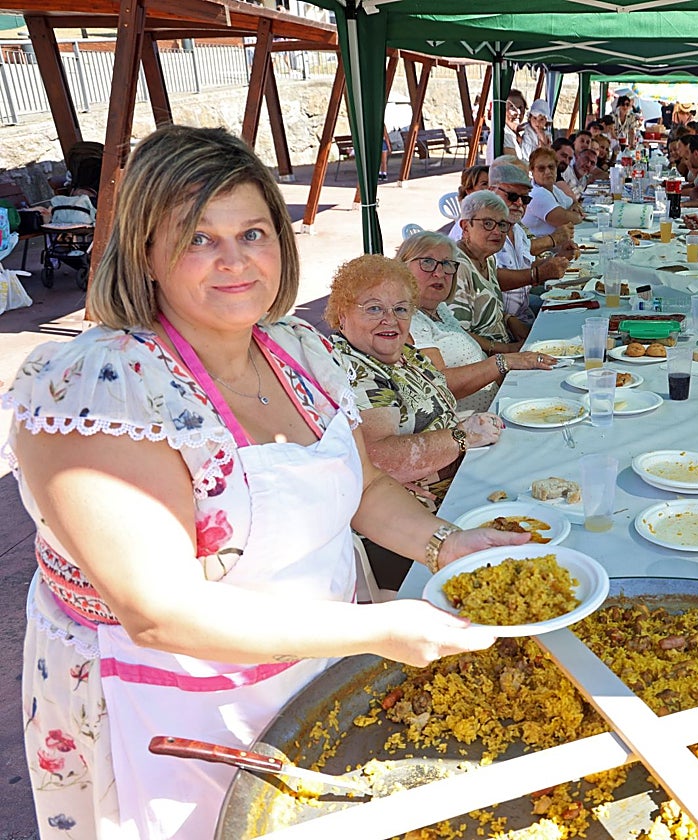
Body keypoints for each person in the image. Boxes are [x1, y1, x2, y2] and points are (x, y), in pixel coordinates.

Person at [4, 125, 529, 840]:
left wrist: (449, 543)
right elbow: (159, 611)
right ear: (144, 251)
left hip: (313, 661)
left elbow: (364, 488)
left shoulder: (299, 348)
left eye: (253, 233)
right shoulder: (98, 385)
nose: (234, 262)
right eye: (197, 238)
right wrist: (377, 628)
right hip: (169, 704)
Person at [326, 256, 507, 586]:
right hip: (407, 531)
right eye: (373, 309)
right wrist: (460, 438)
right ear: (342, 314)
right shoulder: (355, 369)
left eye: (401, 309)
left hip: (455, 486)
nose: (390, 320)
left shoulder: (404, 354)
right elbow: (380, 456)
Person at [400, 231, 555, 414]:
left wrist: (510, 355)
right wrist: (503, 362)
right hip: (471, 429)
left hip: (499, 405)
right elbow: (438, 383)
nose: (440, 273)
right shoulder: (408, 319)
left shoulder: (438, 309)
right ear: (402, 268)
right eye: (427, 262)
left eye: (447, 264)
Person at [487, 157, 573, 324]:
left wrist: (558, 259)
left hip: (521, 314)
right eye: (512, 196)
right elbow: (489, 278)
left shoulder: (515, 228)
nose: (519, 203)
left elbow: (523, 265)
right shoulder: (479, 228)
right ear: (491, 190)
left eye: (525, 198)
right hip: (500, 325)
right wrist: (537, 274)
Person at [452, 190, 532, 346]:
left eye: (502, 225)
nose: (497, 232)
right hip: (485, 361)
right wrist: (508, 351)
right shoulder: (457, 267)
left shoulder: (488, 259)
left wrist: (508, 319)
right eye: (487, 223)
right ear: (466, 226)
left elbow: (488, 309)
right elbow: (459, 334)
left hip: (506, 343)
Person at [524, 146, 584, 238]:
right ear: (532, 171)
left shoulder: (554, 189)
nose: (547, 172)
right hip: (545, 250)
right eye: (541, 168)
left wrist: (575, 206)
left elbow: (574, 203)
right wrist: (578, 215)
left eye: (551, 167)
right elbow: (565, 219)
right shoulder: (536, 194)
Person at [487, 89, 526, 164]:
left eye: (521, 108)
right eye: (512, 107)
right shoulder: (505, 135)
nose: (518, 112)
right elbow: (516, 166)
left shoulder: (516, 134)